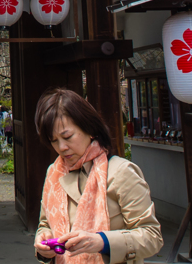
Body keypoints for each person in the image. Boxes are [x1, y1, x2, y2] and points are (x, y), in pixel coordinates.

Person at [34, 88, 162, 264]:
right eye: (54, 140)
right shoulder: (53, 173)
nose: (62, 147)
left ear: (90, 128)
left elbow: (152, 236)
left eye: (67, 136)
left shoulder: (121, 172)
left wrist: (103, 242)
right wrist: (43, 244)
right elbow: (45, 224)